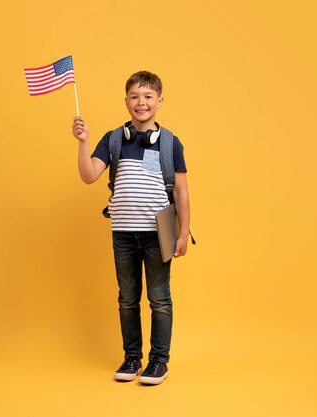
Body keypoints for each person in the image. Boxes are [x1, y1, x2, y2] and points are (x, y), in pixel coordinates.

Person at [71, 71, 191, 385]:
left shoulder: (169, 142)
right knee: (127, 297)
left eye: (148, 96)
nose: (141, 102)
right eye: (135, 96)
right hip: (123, 231)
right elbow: (88, 175)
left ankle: (158, 362)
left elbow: (181, 191)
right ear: (126, 102)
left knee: (159, 297)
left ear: (160, 101)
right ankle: (131, 357)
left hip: (159, 231)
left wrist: (182, 232)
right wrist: (83, 143)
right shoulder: (113, 140)